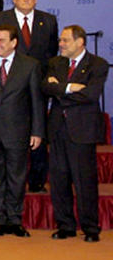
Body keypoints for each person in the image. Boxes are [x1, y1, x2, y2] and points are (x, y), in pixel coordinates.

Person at [0, 25, 44, 237]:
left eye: (2, 40)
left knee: (16, 177)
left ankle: (15, 219)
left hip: (19, 131)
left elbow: (36, 102)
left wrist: (37, 131)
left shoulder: (30, 65)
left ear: (14, 42)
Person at [0, 0, 58, 193]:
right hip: (6, 87)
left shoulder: (49, 20)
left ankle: (36, 180)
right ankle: (6, 181)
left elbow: (52, 55)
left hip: (37, 87)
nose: (26, 0)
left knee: (38, 133)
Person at [43, 25, 107, 243]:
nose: (60, 44)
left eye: (65, 41)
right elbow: (46, 88)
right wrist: (70, 88)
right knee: (59, 179)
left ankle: (90, 227)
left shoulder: (97, 64)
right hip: (57, 129)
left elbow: (91, 94)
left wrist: (59, 88)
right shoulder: (55, 63)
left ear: (80, 42)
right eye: (60, 40)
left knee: (84, 181)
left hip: (83, 130)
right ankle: (65, 225)